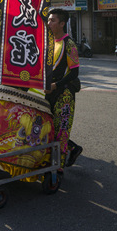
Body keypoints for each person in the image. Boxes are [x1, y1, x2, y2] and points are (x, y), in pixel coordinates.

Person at [45, 9, 82, 170]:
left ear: (62, 23)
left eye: (52, 20)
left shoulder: (69, 44)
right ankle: (73, 148)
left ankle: (56, 172)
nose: (49, 23)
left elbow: (74, 72)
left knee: (62, 130)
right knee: (49, 128)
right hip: (48, 91)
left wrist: (56, 85)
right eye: (48, 20)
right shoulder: (49, 41)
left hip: (64, 94)